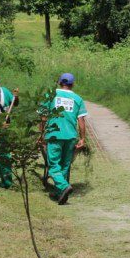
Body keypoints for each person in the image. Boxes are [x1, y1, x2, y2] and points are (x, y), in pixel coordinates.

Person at [42, 73, 87, 205]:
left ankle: (63, 186)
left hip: (54, 135)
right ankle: (59, 194)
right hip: (71, 136)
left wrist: (41, 134)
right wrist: (82, 138)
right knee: (65, 165)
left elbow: (43, 117)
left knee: (53, 165)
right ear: (72, 84)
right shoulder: (77, 99)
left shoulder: (50, 95)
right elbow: (81, 120)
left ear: (59, 82)